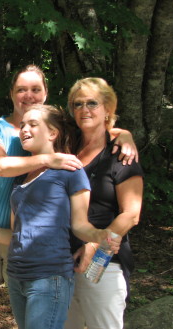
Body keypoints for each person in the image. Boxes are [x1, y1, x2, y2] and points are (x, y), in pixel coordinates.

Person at [0, 65, 136, 329]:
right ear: (11, 94)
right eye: (21, 89)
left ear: (46, 93)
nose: (28, 95)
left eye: (35, 89)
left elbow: (96, 125)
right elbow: (0, 166)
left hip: (44, 260)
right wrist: (48, 159)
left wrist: (124, 135)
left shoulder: (55, 131)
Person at [64, 78, 144, 329]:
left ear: (107, 109)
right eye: (77, 104)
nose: (84, 109)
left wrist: (94, 244)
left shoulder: (120, 155)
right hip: (60, 259)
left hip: (103, 260)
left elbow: (131, 214)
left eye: (92, 103)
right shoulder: (67, 145)